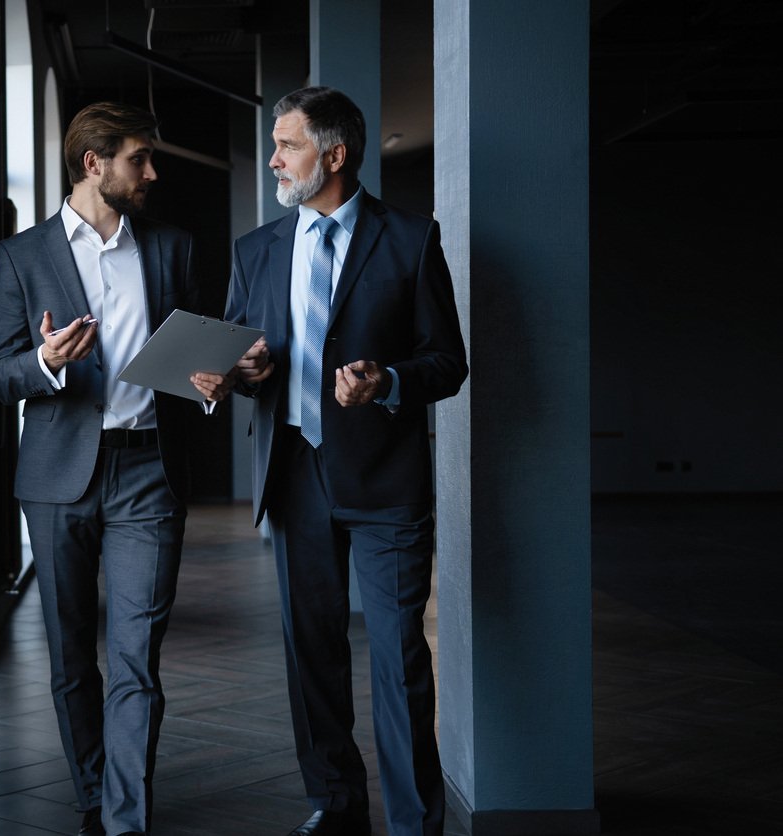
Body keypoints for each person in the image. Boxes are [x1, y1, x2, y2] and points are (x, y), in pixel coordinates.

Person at [224, 87, 468, 836]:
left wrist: (387, 381)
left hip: (386, 481)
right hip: (294, 475)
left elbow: (447, 363)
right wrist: (236, 373)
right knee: (313, 655)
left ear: (334, 155)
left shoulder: (410, 239)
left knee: (400, 662)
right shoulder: (257, 248)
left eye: (287, 145)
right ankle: (335, 803)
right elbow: (236, 350)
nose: (273, 158)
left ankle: (413, 823)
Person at [0, 101, 229, 836]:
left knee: (136, 658)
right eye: (138, 159)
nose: (151, 172)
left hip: (150, 472)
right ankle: (94, 793)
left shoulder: (173, 248)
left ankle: (127, 820)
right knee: (70, 657)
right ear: (94, 164)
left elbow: (196, 355)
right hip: (57, 478)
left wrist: (211, 380)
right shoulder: (21, 257)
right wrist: (46, 364)